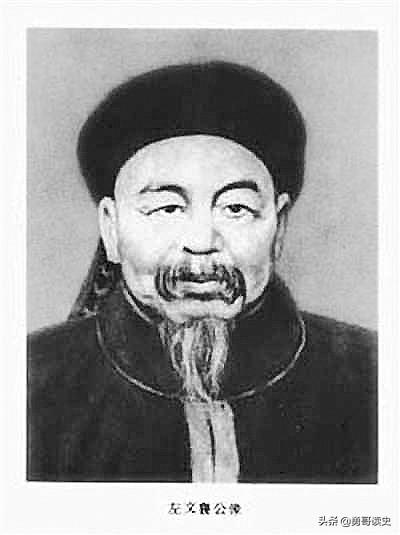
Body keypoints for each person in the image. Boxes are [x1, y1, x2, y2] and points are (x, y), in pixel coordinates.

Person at [27, 61, 377, 483]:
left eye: (235, 208)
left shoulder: (373, 376)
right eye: (166, 208)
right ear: (111, 228)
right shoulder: (29, 382)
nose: (200, 240)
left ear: (279, 226)